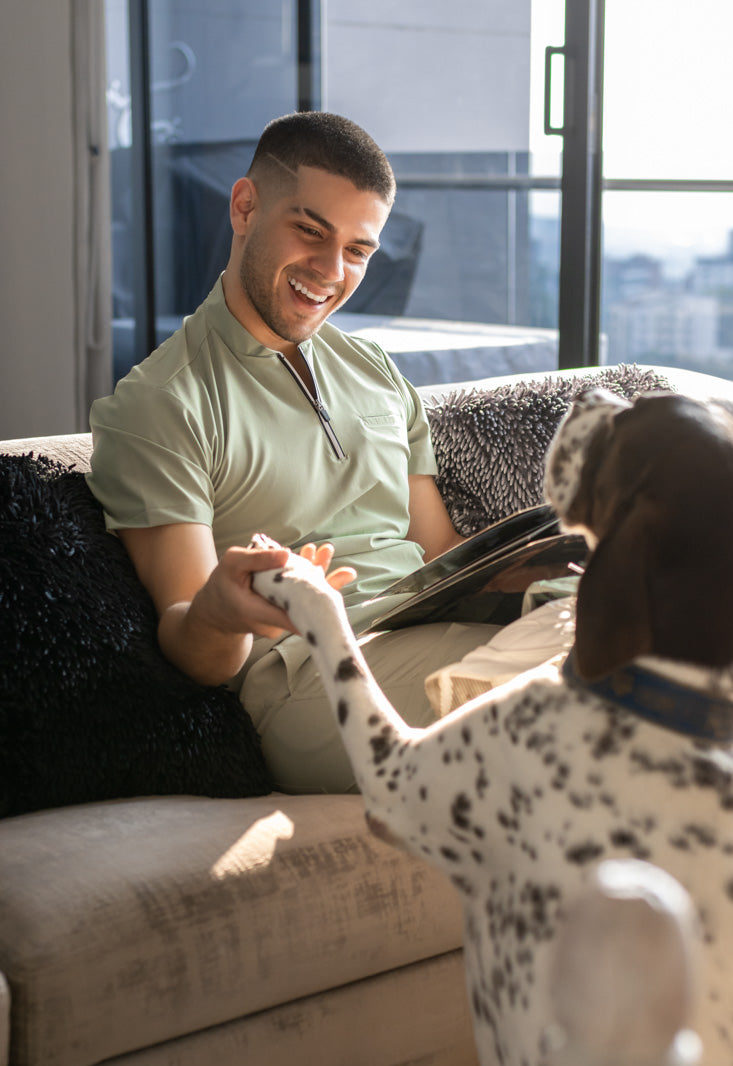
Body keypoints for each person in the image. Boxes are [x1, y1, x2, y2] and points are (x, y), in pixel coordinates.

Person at [87, 111, 501, 794]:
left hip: (426, 626)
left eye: (358, 251)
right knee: (594, 672)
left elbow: (437, 551)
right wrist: (220, 608)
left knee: (628, 612)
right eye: (309, 231)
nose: (330, 271)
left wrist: (548, 561)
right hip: (305, 683)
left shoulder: (375, 373)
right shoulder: (162, 402)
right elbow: (195, 648)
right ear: (245, 206)